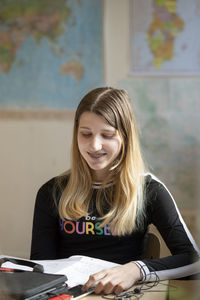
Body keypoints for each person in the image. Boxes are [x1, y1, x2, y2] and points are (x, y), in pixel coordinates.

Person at [31, 87, 199, 295]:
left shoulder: (149, 190)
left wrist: (136, 270)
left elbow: (193, 261)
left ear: (125, 137)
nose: (94, 145)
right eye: (86, 134)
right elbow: (39, 270)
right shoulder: (51, 191)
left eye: (107, 135)